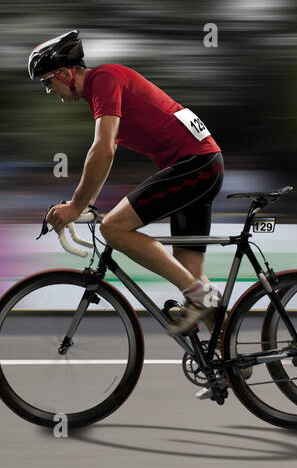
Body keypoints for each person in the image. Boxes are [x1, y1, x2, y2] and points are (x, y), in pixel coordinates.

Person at [30, 30, 224, 334]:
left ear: (66, 73)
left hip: (195, 165)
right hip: (203, 165)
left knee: (113, 228)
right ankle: (227, 366)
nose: (47, 90)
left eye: (46, 82)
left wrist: (77, 205)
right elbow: (108, 153)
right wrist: (85, 203)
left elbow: (103, 149)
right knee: (192, 272)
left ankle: (200, 300)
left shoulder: (103, 80)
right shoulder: (103, 87)